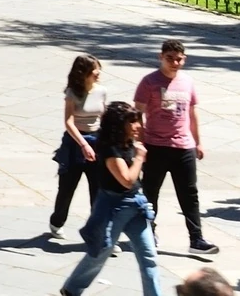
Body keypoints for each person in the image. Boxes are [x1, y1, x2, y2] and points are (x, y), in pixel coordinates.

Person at [59, 100, 164, 296]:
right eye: (132, 122)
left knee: (149, 256)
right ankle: (72, 289)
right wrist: (140, 158)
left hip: (135, 206)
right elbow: (126, 180)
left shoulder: (127, 144)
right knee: (100, 252)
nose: (138, 126)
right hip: (115, 208)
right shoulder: (110, 150)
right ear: (119, 125)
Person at [134, 40, 218, 255]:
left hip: (184, 147)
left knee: (189, 194)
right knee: (151, 193)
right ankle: (148, 231)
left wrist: (198, 142)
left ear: (185, 59)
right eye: (170, 58)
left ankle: (196, 239)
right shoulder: (149, 82)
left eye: (179, 58)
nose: (175, 62)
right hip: (155, 146)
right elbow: (137, 115)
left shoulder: (188, 82)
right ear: (160, 57)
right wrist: (140, 143)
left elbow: (192, 113)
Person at [50, 53, 107, 244]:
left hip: (97, 142)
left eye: (98, 68)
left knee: (98, 190)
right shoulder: (72, 93)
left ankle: (98, 231)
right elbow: (68, 121)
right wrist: (83, 144)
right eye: (94, 70)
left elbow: (104, 118)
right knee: (67, 188)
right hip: (75, 143)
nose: (98, 73)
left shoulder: (101, 91)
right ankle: (57, 221)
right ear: (83, 73)